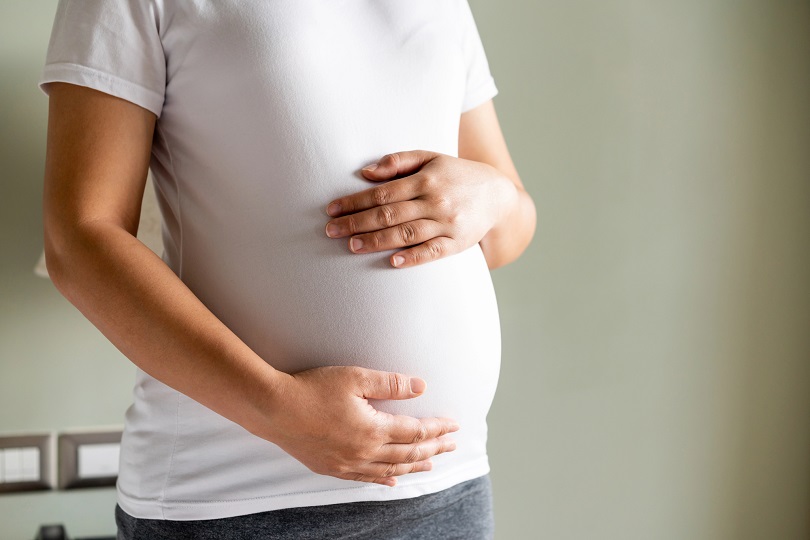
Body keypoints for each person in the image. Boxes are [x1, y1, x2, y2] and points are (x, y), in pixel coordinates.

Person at [39, 1, 536, 538]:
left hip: (447, 484)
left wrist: (498, 195)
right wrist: (277, 409)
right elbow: (80, 239)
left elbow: (507, 234)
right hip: (235, 496)